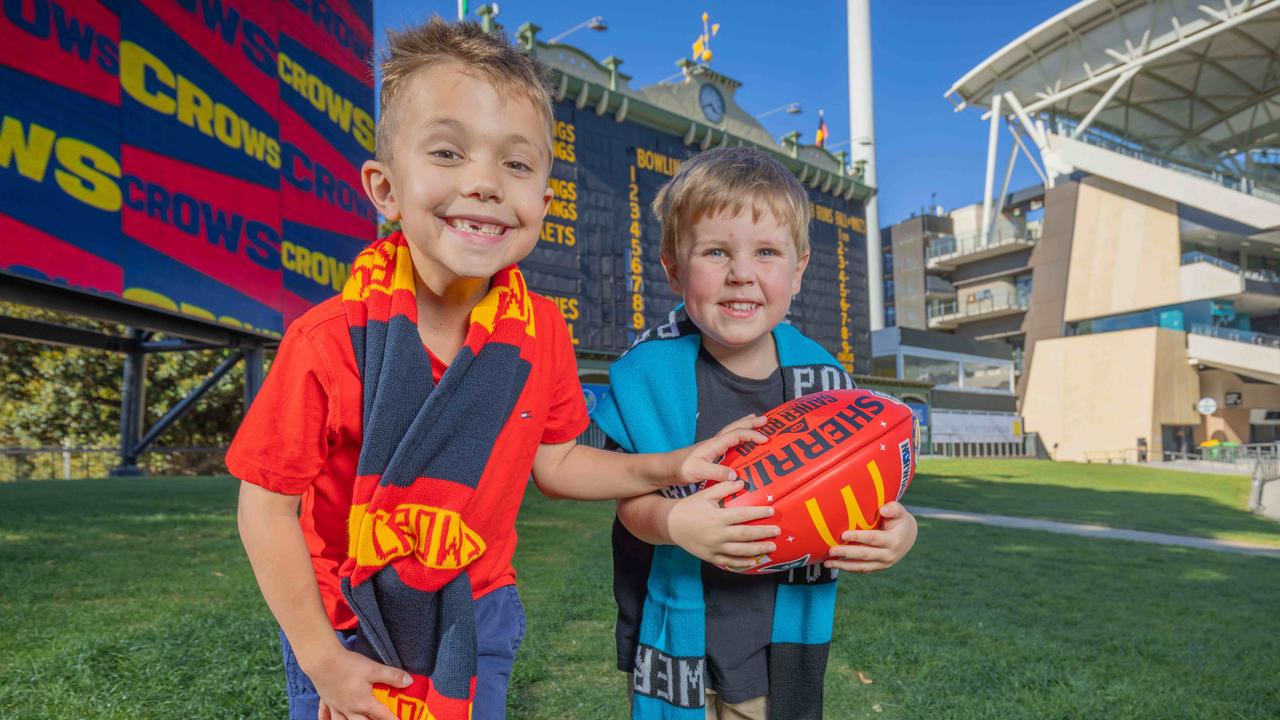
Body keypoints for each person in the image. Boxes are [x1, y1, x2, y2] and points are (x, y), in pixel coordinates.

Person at [228, 19, 763, 720]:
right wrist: (321, 657)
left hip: (476, 615)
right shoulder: (327, 339)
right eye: (448, 152)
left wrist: (674, 464)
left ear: (543, 202)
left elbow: (559, 462)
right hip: (345, 624)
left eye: (516, 164)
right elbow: (266, 509)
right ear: (385, 188)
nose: (484, 184)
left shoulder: (541, 332)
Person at [593, 147, 919, 720]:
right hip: (678, 634)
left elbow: (865, 493)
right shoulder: (648, 375)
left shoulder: (827, 385)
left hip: (777, 645)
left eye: (766, 252)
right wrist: (674, 523)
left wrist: (898, 531)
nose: (741, 272)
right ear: (673, 267)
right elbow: (626, 500)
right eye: (716, 251)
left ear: (797, 270)